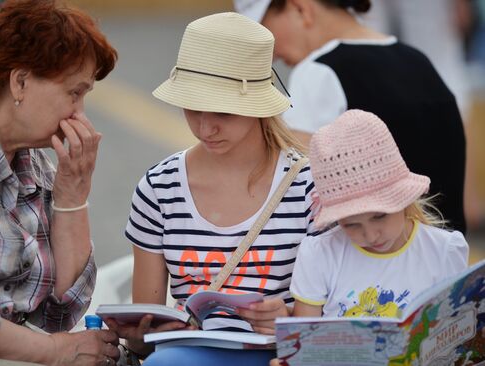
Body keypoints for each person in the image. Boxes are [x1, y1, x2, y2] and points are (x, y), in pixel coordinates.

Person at [113, 12, 319, 366]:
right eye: (192, 108)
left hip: (282, 354)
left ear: (257, 106)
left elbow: (341, 310)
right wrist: (140, 335)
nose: (206, 127)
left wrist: (288, 319)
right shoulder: (158, 187)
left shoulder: (308, 183)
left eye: (223, 111)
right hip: (184, 356)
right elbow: (145, 330)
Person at [0, 0, 119, 365]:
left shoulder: (31, 159)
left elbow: (60, 314)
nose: (80, 114)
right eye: (74, 93)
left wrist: (73, 196)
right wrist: (54, 352)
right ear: (20, 81)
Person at [234, 0, 468, 235]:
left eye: (265, 31)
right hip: (445, 257)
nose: (269, 55)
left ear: (300, 8)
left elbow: (291, 191)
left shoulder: (317, 73)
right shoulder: (418, 61)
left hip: (368, 261)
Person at [270, 109, 469, 365]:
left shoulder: (444, 250)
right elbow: (303, 348)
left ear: (403, 200)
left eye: (379, 216)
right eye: (351, 224)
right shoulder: (320, 253)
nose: (370, 235)